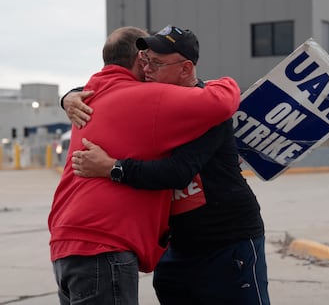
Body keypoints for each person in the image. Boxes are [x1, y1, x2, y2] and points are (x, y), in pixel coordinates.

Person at [64, 25, 270, 305]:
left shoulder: (207, 108)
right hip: (175, 247)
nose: (146, 69)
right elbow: (109, 85)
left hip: (225, 239)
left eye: (156, 63)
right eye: (146, 60)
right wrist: (69, 96)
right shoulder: (148, 98)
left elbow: (178, 172)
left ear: (185, 69)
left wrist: (113, 167)